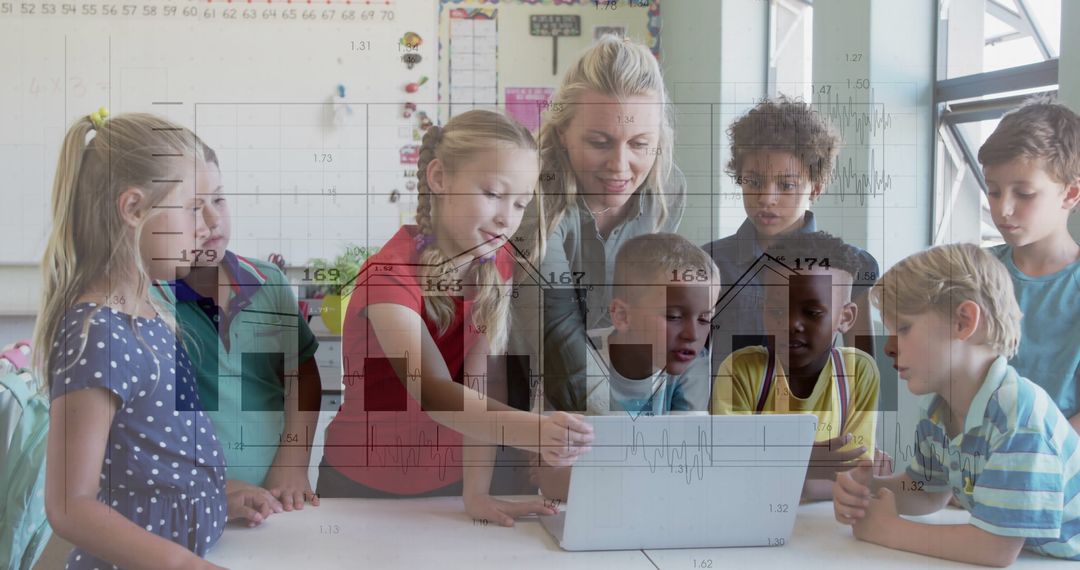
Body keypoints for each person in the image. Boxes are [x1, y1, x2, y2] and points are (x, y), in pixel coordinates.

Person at [37, 111, 276, 570]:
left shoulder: (152, 313)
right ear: (133, 209)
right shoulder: (97, 334)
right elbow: (70, 505)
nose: (206, 225)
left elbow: (156, 460)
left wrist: (216, 497)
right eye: (192, 207)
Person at [834, 244, 1080, 565]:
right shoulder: (938, 409)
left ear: (963, 321)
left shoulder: (1018, 416)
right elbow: (928, 491)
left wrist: (890, 530)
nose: (889, 348)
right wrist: (869, 489)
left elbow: (995, 548)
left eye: (904, 328)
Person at [510, 35, 686, 413]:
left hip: (617, 381)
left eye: (640, 144)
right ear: (562, 133)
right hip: (523, 383)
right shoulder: (531, 194)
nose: (620, 166)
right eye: (599, 142)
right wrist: (622, 429)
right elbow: (556, 329)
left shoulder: (666, 190)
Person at [978, 96, 1080, 430]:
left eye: (1024, 194)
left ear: (1070, 194)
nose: (1003, 209)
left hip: (1061, 459)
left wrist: (1034, 453)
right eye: (994, 191)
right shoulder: (976, 272)